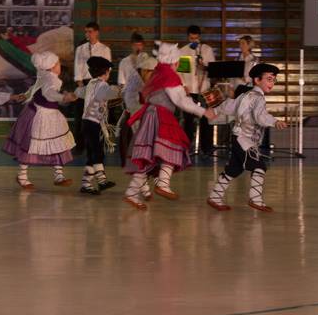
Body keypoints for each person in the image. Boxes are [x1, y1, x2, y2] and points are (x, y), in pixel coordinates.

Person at [123, 43, 216, 210]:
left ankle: (132, 192)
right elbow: (180, 101)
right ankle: (163, 183)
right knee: (173, 147)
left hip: (151, 115)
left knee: (149, 157)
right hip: (161, 116)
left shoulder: (158, 73)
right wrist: (203, 111)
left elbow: (148, 95)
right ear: (175, 61)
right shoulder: (170, 75)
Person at [207, 63, 288, 213]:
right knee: (259, 166)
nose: (272, 83)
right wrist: (275, 121)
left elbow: (229, 105)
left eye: (274, 80)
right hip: (244, 140)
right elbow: (260, 116)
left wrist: (215, 110)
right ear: (257, 80)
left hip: (239, 137)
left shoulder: (245, 95)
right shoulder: (257, 98)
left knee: (233, 169)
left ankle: (215, 197)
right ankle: (255, 199)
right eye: (269, 79)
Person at [3, 52, 78, 190]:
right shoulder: (51, 79)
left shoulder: (44, 74)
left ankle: (58, 175)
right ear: (52, 66)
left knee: (56, 142)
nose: (59, 66)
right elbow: (49, 93)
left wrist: (26, 95)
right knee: (32, 144)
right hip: (40, 115)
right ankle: (24, 176)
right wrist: (63, 97)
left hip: (46, 114)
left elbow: (35, 88)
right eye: (58, 63)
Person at [74, 56, 121, 195]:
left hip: (87, 122)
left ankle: (86, 184)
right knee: (97, 152)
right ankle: (102, 180)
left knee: (91, 154)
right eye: (108, 71)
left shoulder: (91, 84)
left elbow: (80, 92)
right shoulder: (102, 85)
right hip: (93, 123)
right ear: (105, 72)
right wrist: (122, 91)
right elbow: (109, 94)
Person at [119, 55, 158, 201]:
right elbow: (133, 106)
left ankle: (144, 186)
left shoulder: (149, 81)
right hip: (134, 125)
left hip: (145, 123)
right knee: (140, 156)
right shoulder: (134, 83)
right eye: (151, 73)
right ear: (144, 71)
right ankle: (143, 188)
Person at [74, 22, 112, 152]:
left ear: (96, 32)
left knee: (98, 114)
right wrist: (80, 85)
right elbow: (77, 68)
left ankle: (99, 144)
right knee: (81, 115)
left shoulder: (105, 49)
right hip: (84, 83)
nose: (87, 34)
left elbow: (107, 69)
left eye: (90, 31)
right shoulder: (80, 49)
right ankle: (80, 146)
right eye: (86, 32)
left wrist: (100, 83)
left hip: (99, 83)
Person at [179, 25, 215, 154]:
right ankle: (187, 146)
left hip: (205, 88)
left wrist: (203, 65)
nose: (194, 40)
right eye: (191, 38)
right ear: (188, 37)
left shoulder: (206, 50)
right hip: (190, 89)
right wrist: (184, 86)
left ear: (199, 37)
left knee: (206, 118)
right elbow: (182, 72)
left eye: (196, 38)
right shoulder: (184, 51)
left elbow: (212, 69)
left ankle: (206, 147)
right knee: (188, 119)